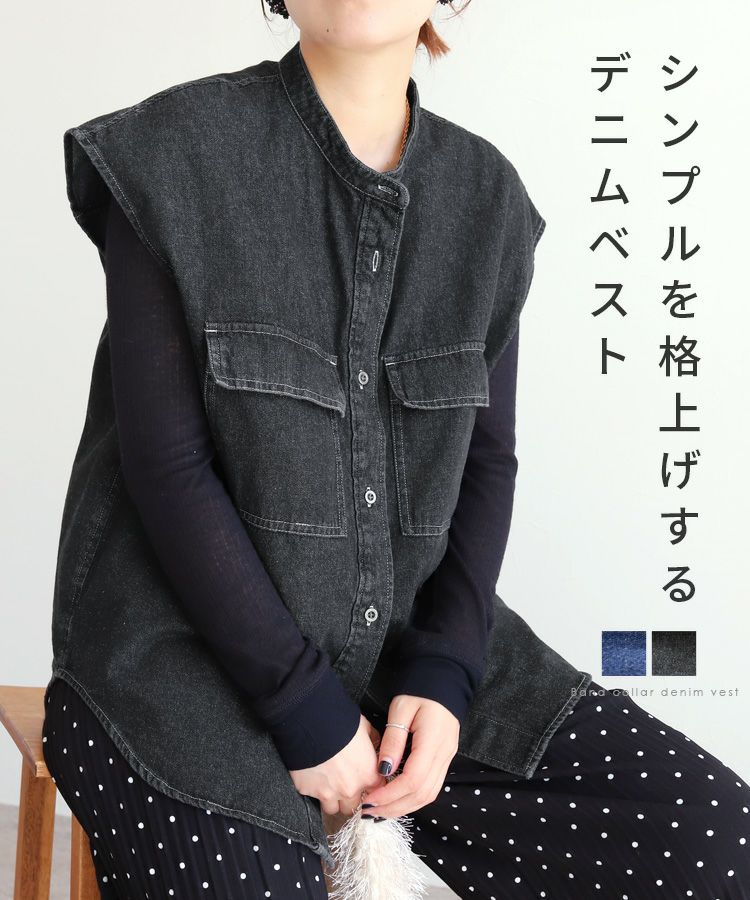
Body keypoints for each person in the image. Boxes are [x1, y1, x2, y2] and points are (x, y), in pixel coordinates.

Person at [43, 2, 750, 897]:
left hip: (402, 651)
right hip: (179, 658)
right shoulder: (170, 153)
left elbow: (488, 462)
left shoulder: (487, 200)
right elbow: (166, 469)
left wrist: (447, 673)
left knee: (715, 840)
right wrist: (303, 707)